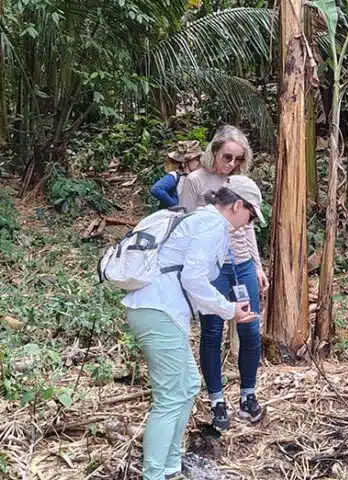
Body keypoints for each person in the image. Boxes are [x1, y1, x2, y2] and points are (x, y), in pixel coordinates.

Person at [122, 180, 261, 480]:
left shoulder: (204, 220)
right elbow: (194, 279)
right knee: (171, 397)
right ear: (238, 206)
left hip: (160, 311)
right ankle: (154, 474)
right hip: (157, 310)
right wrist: (229, 311)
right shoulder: (212, 225)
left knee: (187, 387)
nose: (247, 225)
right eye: (250, 217)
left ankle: (171, 467)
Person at [179, 126, 269, 429]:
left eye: (237, 159)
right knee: (213, 331)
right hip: (213, 268)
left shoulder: (240, 182)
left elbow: (248, 227)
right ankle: (217, 401)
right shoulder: (195, 182)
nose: (230, 164)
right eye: (226, 157)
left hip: (241, 263)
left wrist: (257, 265)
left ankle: (248, 396)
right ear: (213, 151)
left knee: (250, 329)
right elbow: (185, 223)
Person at [150, 140, 203, 209]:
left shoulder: (197, 178)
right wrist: (175, 206)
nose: (200, 162)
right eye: (197, 159)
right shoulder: (175, 176)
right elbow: (157, 189)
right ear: (186, 162)